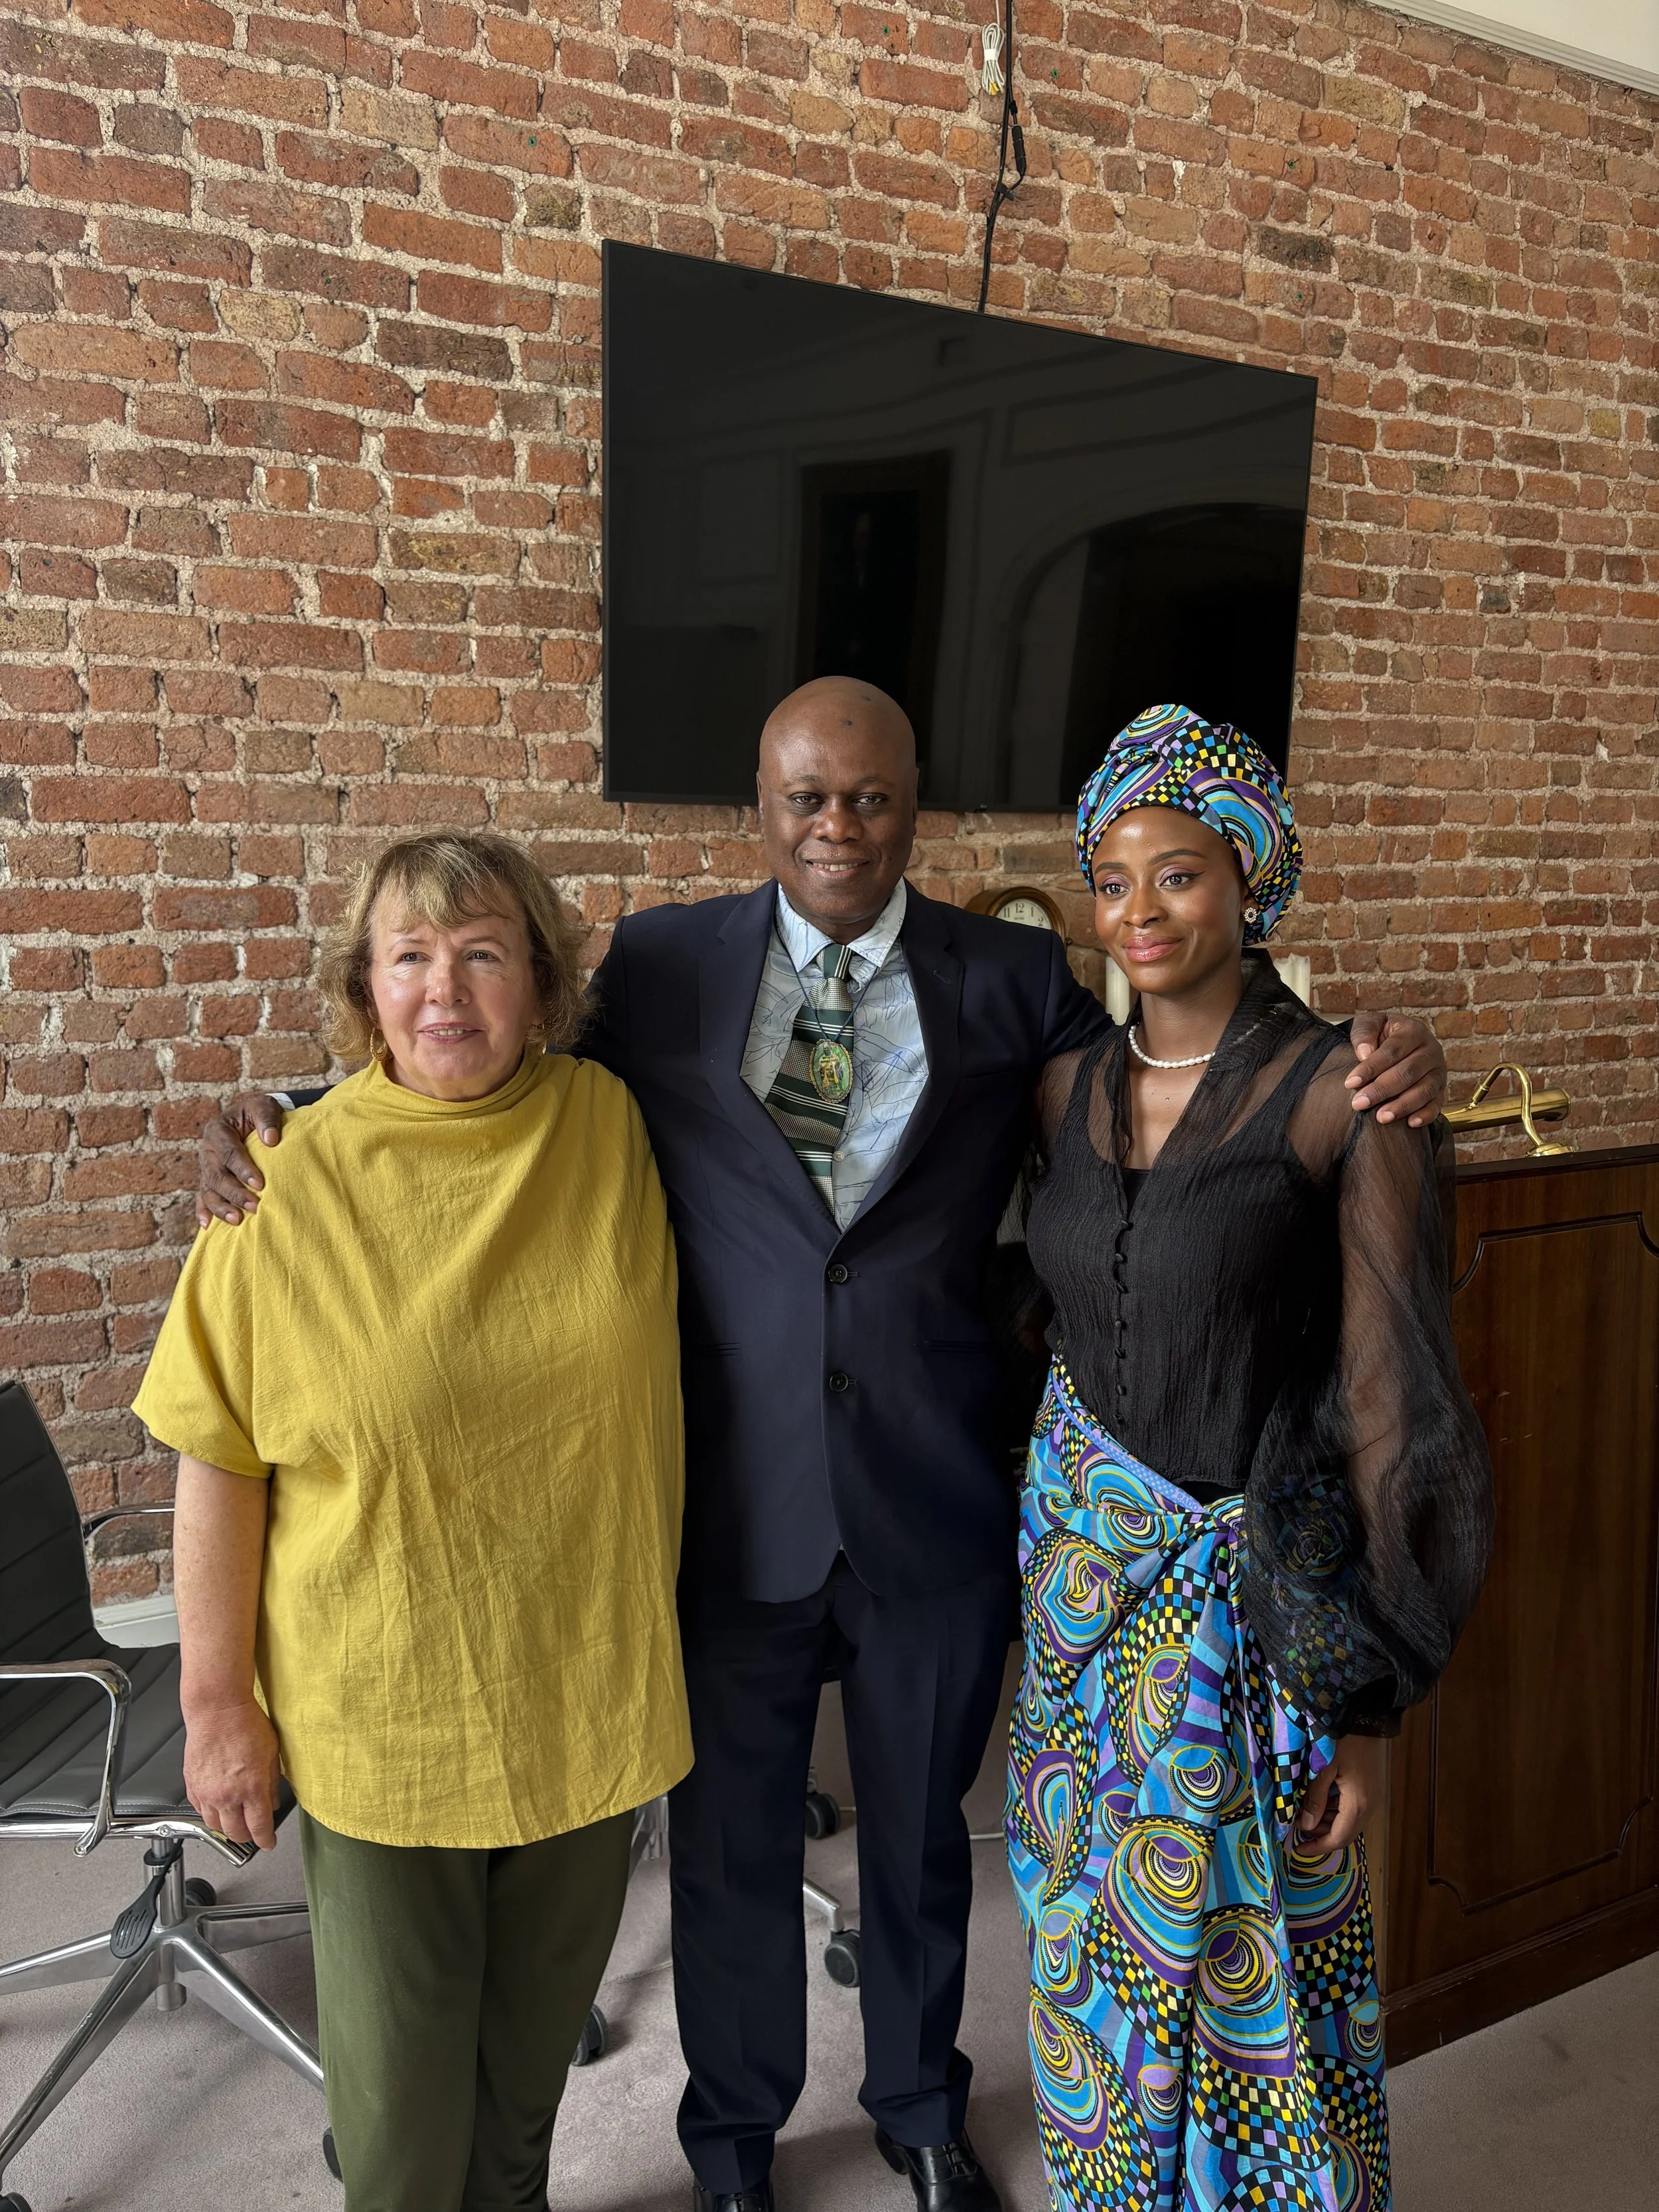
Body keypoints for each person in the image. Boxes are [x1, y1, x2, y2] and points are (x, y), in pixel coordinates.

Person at [193, 679, 1449, 2212]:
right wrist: (288, 1115)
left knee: (927, 1841)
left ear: (913, 805)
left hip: (932, 1498)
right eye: (805, 797)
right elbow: (476, 1059)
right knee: (725, 1857)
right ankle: (731, 2143)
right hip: (729, 1506)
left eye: (867, 798)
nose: (836, 827)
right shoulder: (661, 965)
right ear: (759, 805)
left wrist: (1376, 1050)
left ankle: (922, 2110)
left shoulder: (1011, 978)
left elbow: (1181, 1062)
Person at [135, 831, 691, 2212]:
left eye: (484, 953)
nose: (446, 990)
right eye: (410, 957)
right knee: (397, 2131)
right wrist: (216, 1706)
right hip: (385, 1713)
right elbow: (216, 1456)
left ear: (545, 983)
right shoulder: (277, 1181)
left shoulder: (609, 1127)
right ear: (364, 988)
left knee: (518, 2108)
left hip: (585, 1689)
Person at [1010, 703, 1494, 2212]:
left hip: (1255, 1624)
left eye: (1179, 874)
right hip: (1078, 1616)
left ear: (1249, 885)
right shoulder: (1059, 1089)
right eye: (1112, 877)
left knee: (1254, 1982)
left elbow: (1390, 1396)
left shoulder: (1339, 1092)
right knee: (1090, 1954)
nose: (1138, 911)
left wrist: (1364, 1704)